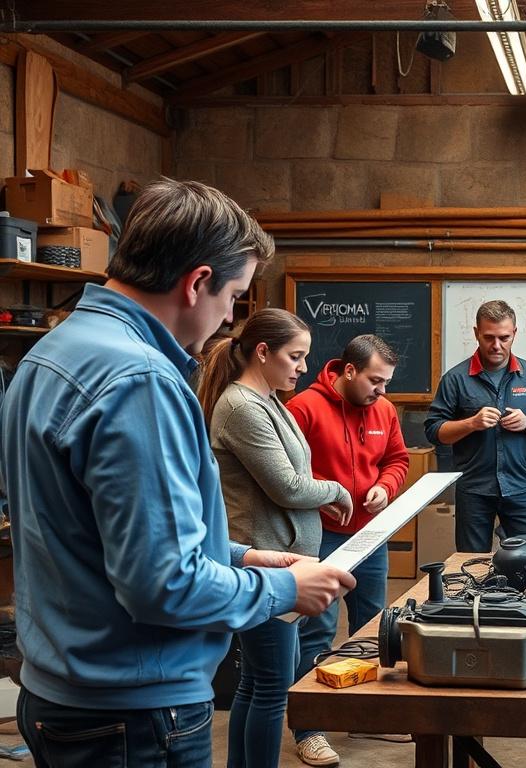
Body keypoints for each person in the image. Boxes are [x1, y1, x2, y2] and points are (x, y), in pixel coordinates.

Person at [0, 179, 355, 767]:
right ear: (196, 283)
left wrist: (239, 555)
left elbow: (91, 529)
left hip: (63, 694)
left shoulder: (48, 353)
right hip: (134, 712)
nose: (227, 321)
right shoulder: (140, 380)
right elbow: (163, 585)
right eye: (233, 297)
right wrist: (287, 589)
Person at [197, 308, 355, 768]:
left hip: (285, 560)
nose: (304, 367)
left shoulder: (268, 400)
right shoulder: (243, 406)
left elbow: (293, 477)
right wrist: (337, 489)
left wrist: (316, 492)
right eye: (296, 356)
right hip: (265, 565)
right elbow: (286, 486)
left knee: (257, 682)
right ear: (263, 352)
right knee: (271, 687)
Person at [286, 334, 409, 766]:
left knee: (371, 626)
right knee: (317, 630)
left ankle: (364, 715)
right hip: (320, 536)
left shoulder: (385, 411)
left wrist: (384, 486)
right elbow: (286, 476)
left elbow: (398, 460)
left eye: (387, 382)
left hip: (371, 535)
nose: (382, 391)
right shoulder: (303, 408)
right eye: (376, 380)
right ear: (349, 371)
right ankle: (310, 728)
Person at [425, 300, 526, 552]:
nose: (497, 345)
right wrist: (471, 423)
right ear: (476, 333)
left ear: (514, 333)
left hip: (519, 486)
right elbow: (434, 432)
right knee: (471, 564)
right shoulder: (456, 379)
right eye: (489, 337)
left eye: (504, 337)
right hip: (474, 489)